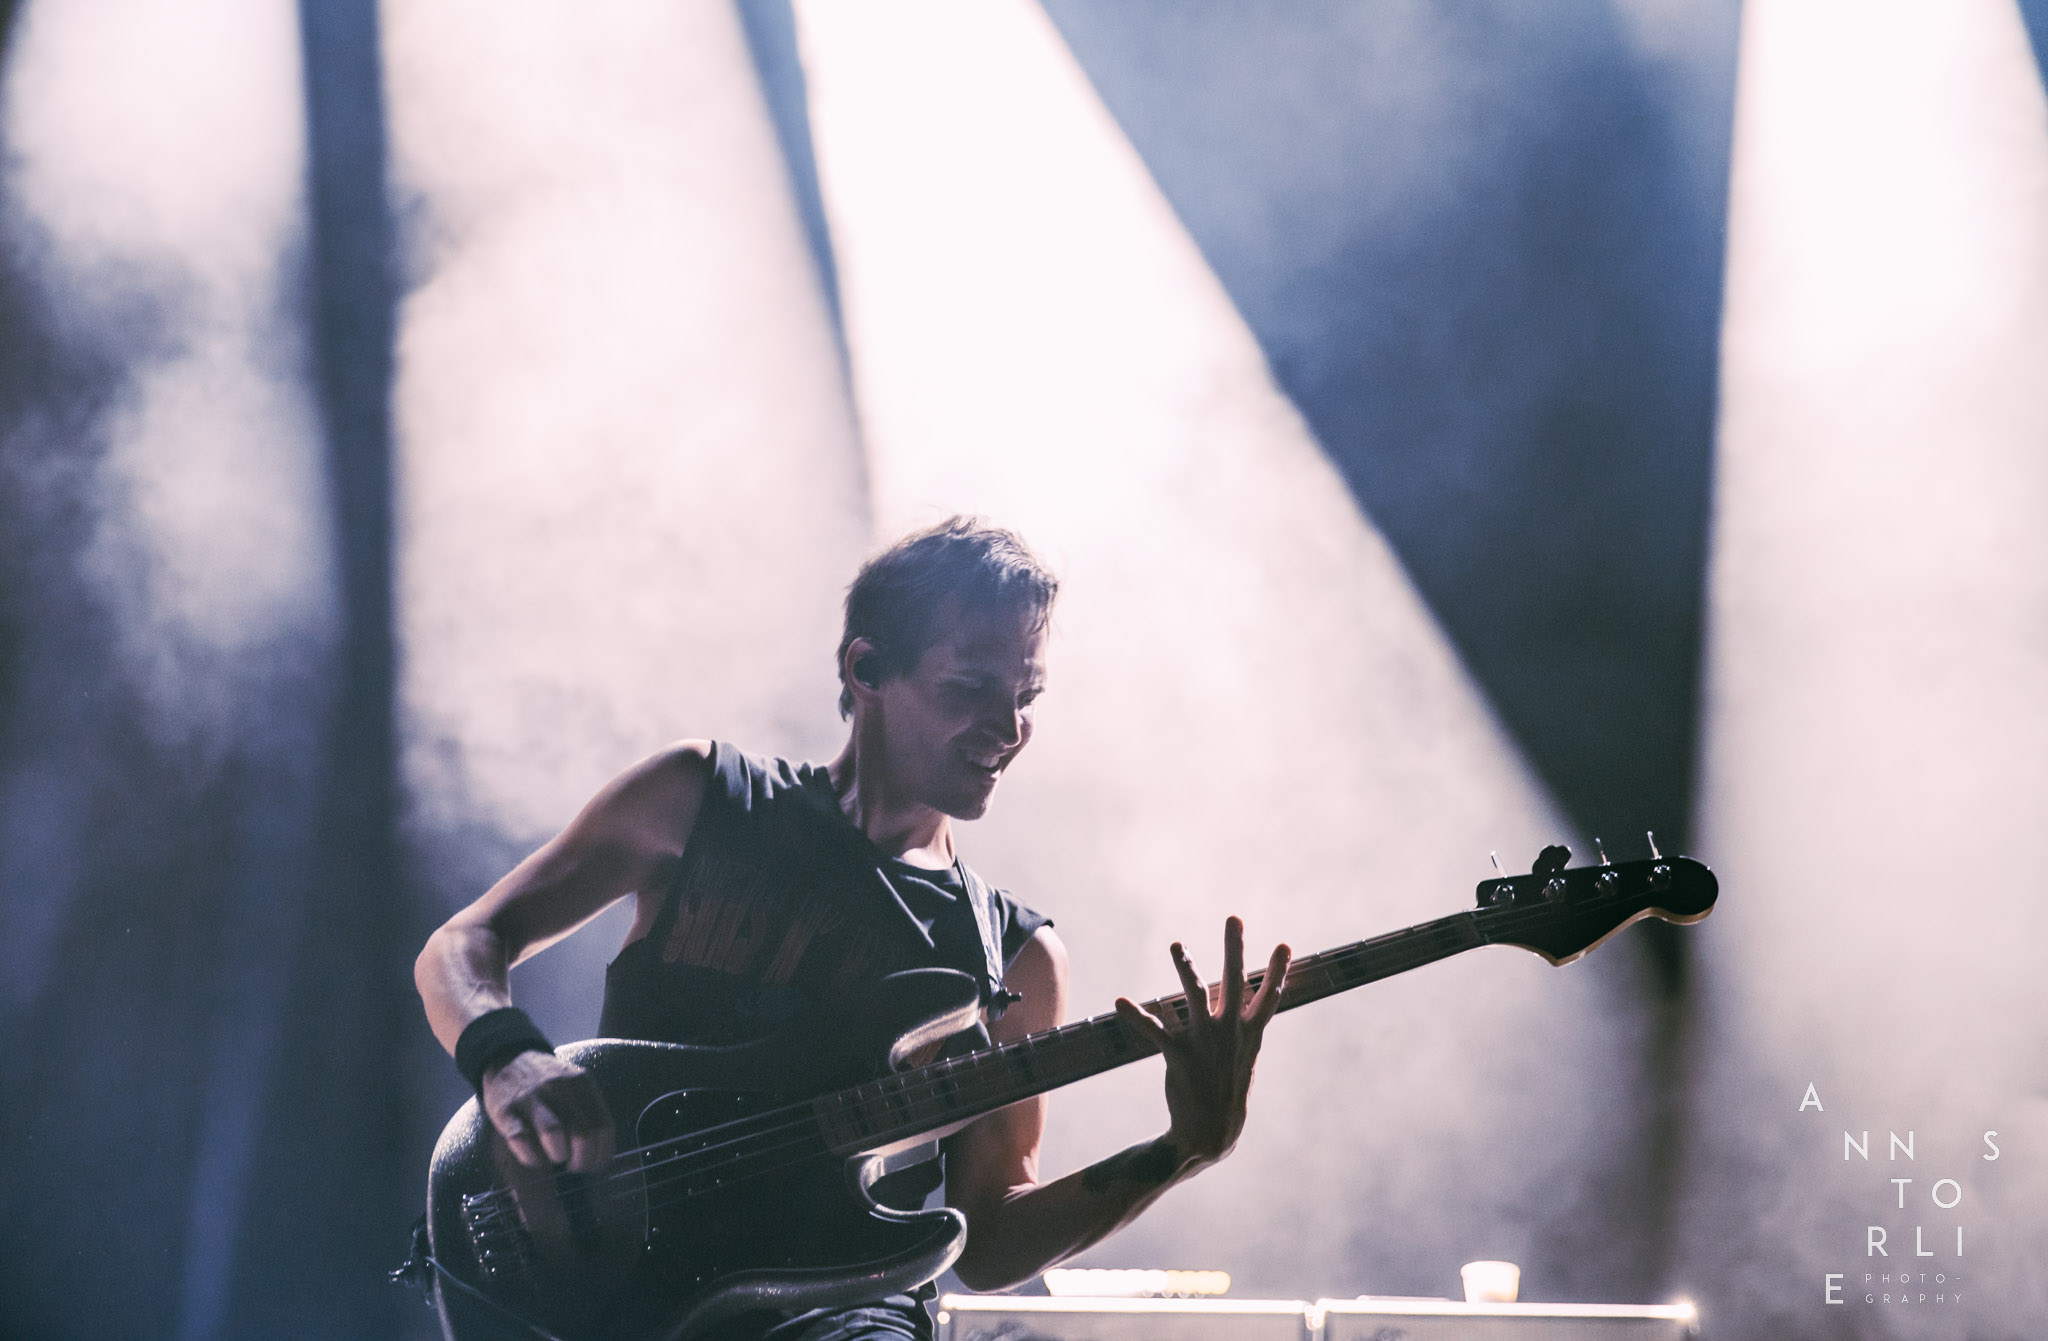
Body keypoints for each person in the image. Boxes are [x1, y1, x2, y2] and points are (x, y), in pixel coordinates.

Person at [414, 516, 1292, 1340]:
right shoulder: (703, 801)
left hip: (844, 1316)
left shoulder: (1014, 955)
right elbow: (463, 945)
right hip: (608, 1285)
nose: (1009, 729)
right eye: (971, 688)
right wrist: (508, 1058)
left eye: (1027, 695)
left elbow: (989, 1238)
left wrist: (1182, 1148)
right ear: (867, 668)